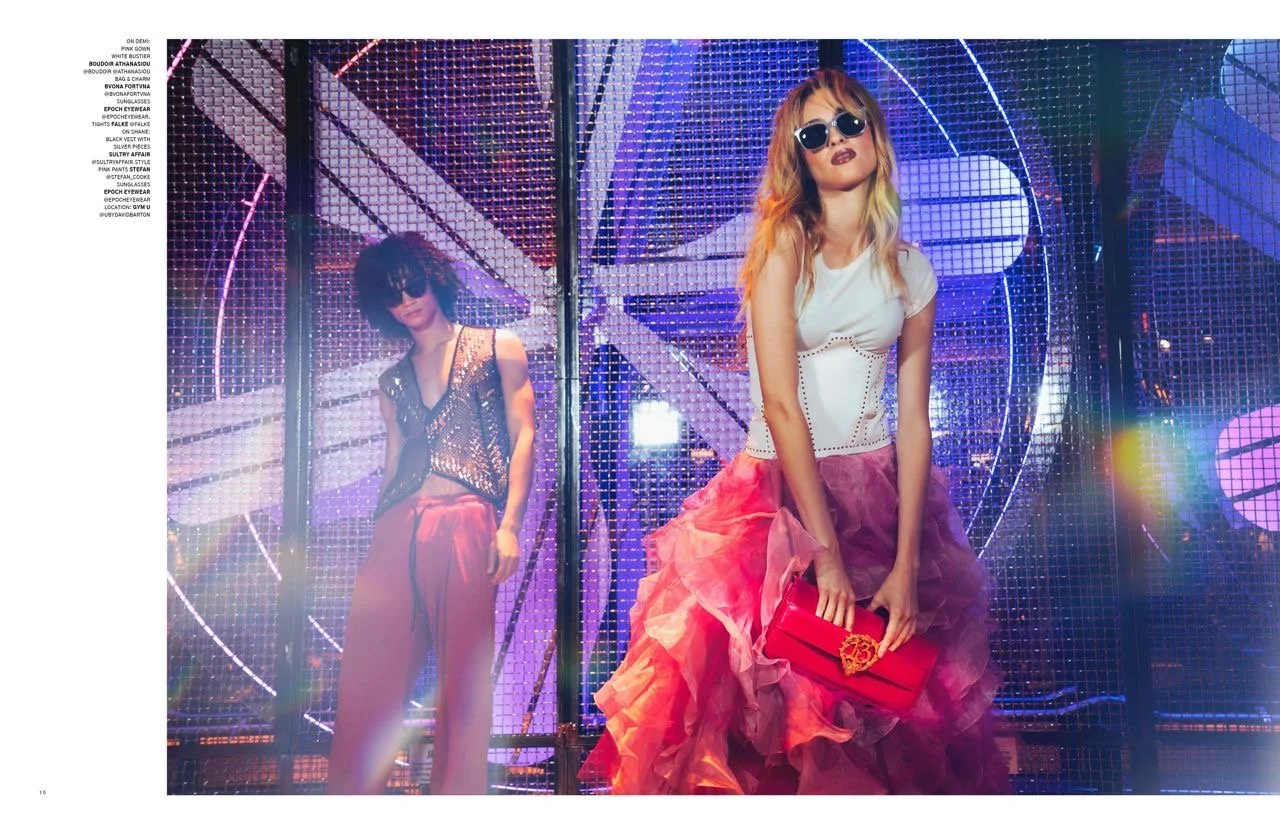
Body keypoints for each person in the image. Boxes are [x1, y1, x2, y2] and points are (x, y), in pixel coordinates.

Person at [579, 68, 1010, 794]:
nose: (837, 139)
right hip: (774, 502)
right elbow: (780, 405)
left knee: (882, 712)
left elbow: (913, 419)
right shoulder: (782, 249)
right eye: (817, 133)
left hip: (878, 498)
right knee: (759, 715)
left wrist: (905, 565)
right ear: (799, 158)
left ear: (874, 132)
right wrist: (826, 554)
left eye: (849, 123)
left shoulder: (913, 271)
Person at [326, 232, 536, 794]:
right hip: (399, 526)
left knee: (464, 681)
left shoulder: (498, 347)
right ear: (382, 308)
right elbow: (394, 462)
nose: (407, 301)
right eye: (392, 296)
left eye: (412, 284)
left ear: (433, 276)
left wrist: (510, 525)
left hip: (469, 522)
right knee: (369, 676)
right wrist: (376, 543)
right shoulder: (391, 381)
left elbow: (524, 437)